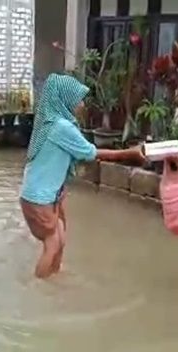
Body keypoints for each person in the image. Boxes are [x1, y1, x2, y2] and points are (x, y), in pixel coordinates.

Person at [20, 73, 145, 279]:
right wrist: (129, 153)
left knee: (60, 240)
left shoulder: (49, 122)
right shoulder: (61, 127)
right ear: (65, 100)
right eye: (78, 100)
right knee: (52, 244)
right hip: (39, 198)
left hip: (44, 195)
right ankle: (38, 288)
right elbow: (91, 153)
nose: (82, 105)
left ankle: (54, 282)